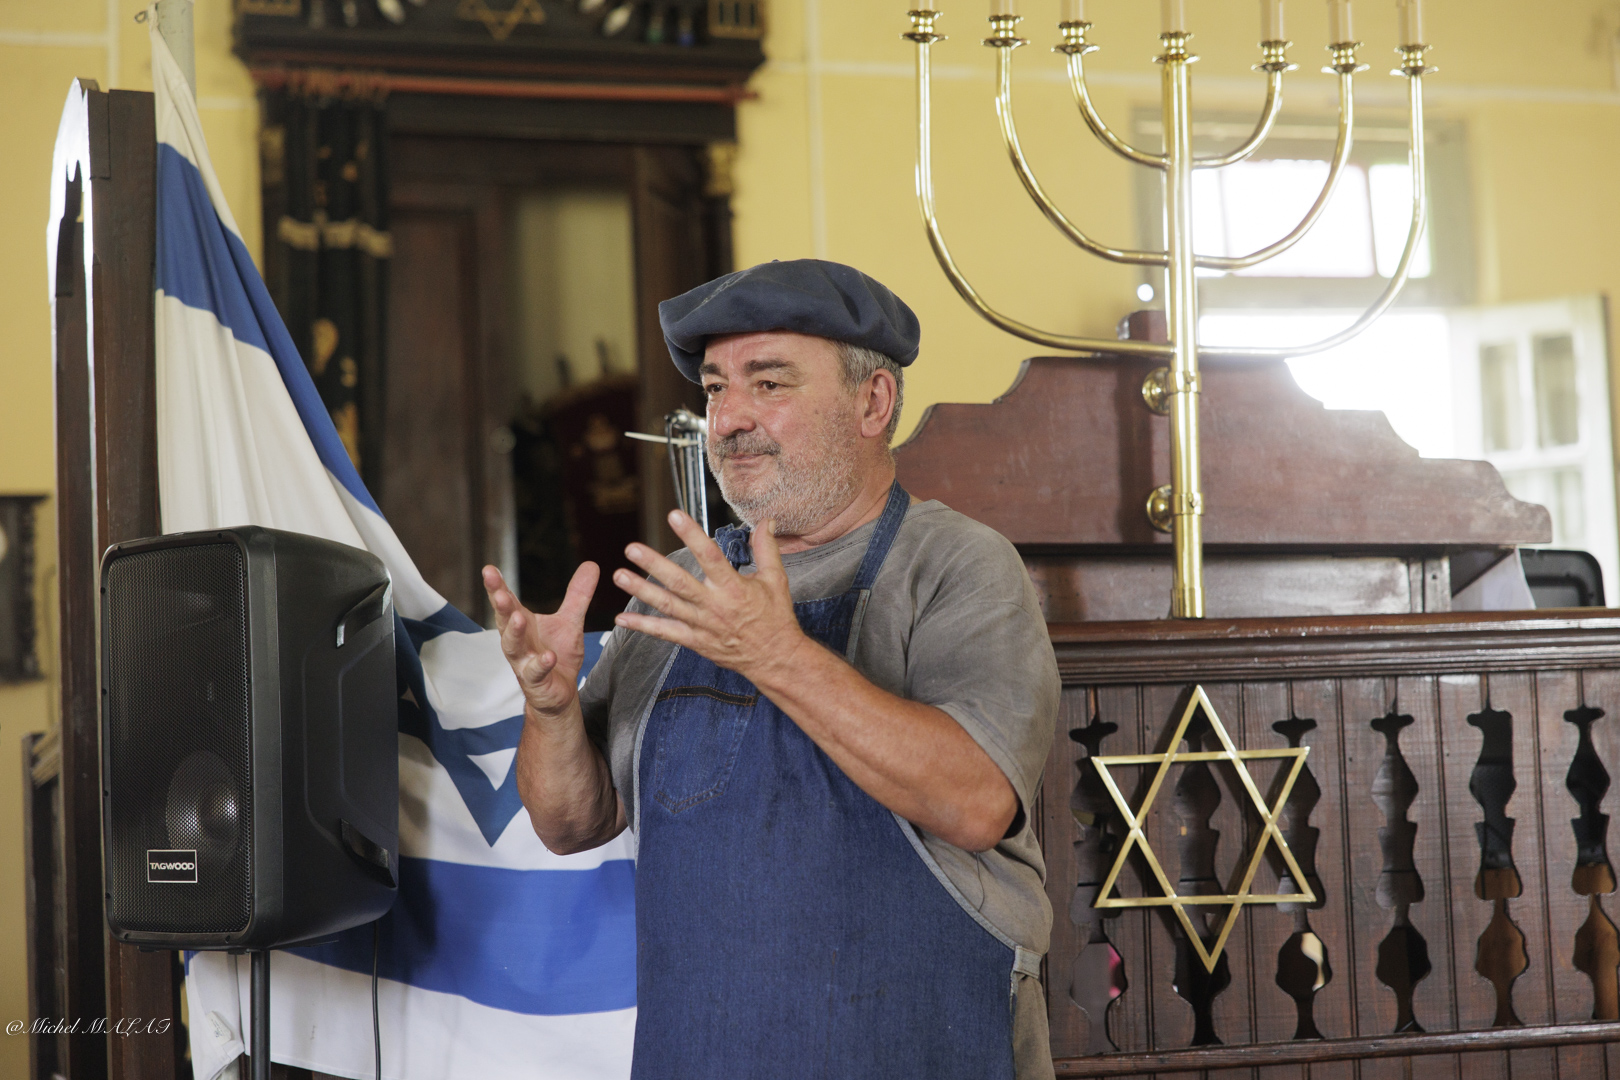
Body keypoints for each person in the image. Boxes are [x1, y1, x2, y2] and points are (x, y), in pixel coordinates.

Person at [482, 259, 1060, 1079]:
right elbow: (572, 823)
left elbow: (975, 802)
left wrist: (777, 657)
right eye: (716, 389)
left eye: (769, 383)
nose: (728, 420)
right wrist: (549, 709)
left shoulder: (956, 564)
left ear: (873, 402)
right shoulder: (686, 587)